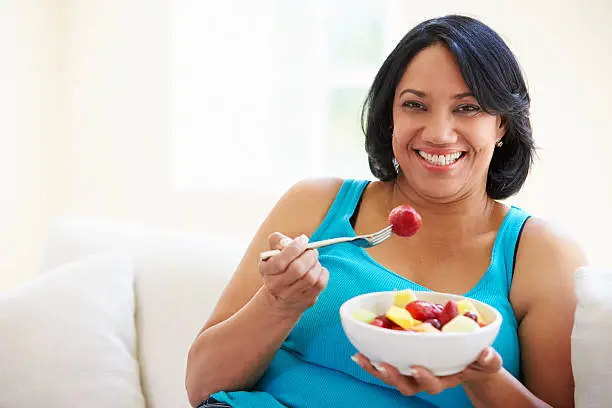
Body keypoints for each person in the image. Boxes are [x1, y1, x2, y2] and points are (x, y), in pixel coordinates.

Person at [186, 14, 586, 408]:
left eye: (468, 108)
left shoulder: (542, 254)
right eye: (415, 105)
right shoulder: (314, 205)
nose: (439, 133)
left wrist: (481, 375)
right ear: (390, 116)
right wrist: (279, 303)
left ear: (502, 125)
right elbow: (201, 385)